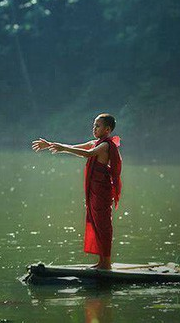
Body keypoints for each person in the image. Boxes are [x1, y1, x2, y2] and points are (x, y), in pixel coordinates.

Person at [31, 113, 122, 270]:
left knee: (103, 225)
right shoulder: (96, 142)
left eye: (98, 126)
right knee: (96, 223)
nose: (94, 128)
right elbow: (76, 147)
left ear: (107, 129)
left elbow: (88, 154)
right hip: (94, 190)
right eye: (94, 125)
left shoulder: (105, 145)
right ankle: (101, 262)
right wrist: (51, 145)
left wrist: (62, 148)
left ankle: (106, 264)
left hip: (102, 191)